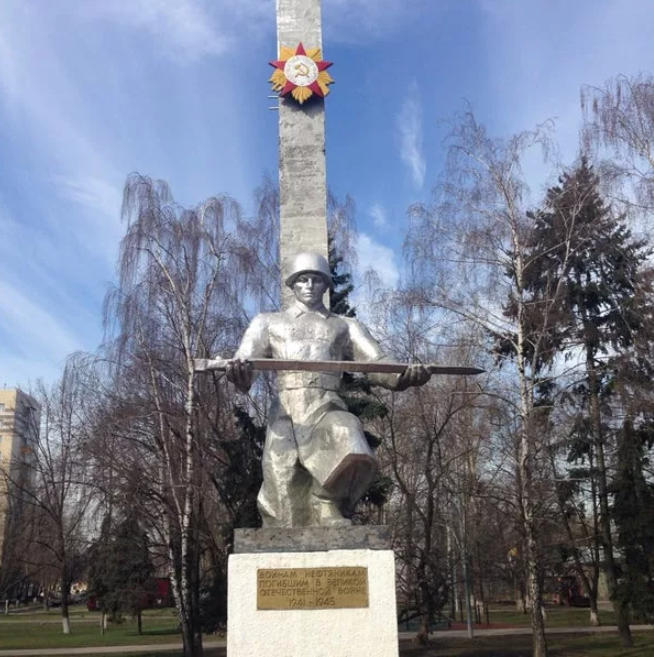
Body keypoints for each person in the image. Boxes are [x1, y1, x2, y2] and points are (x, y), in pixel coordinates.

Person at [226, 252, 430, 527]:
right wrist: (238, 373)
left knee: (347, 432)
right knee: (284, 509)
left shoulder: (345, 325)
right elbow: (244, 364)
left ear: (326, 286)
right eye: (302, 279)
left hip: (326, 403)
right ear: (292, 285)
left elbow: (378, 363)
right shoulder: (267, 322)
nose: (309, 285)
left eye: (316, 280)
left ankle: (327, 504)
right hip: (286, 413)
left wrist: (404, 376)